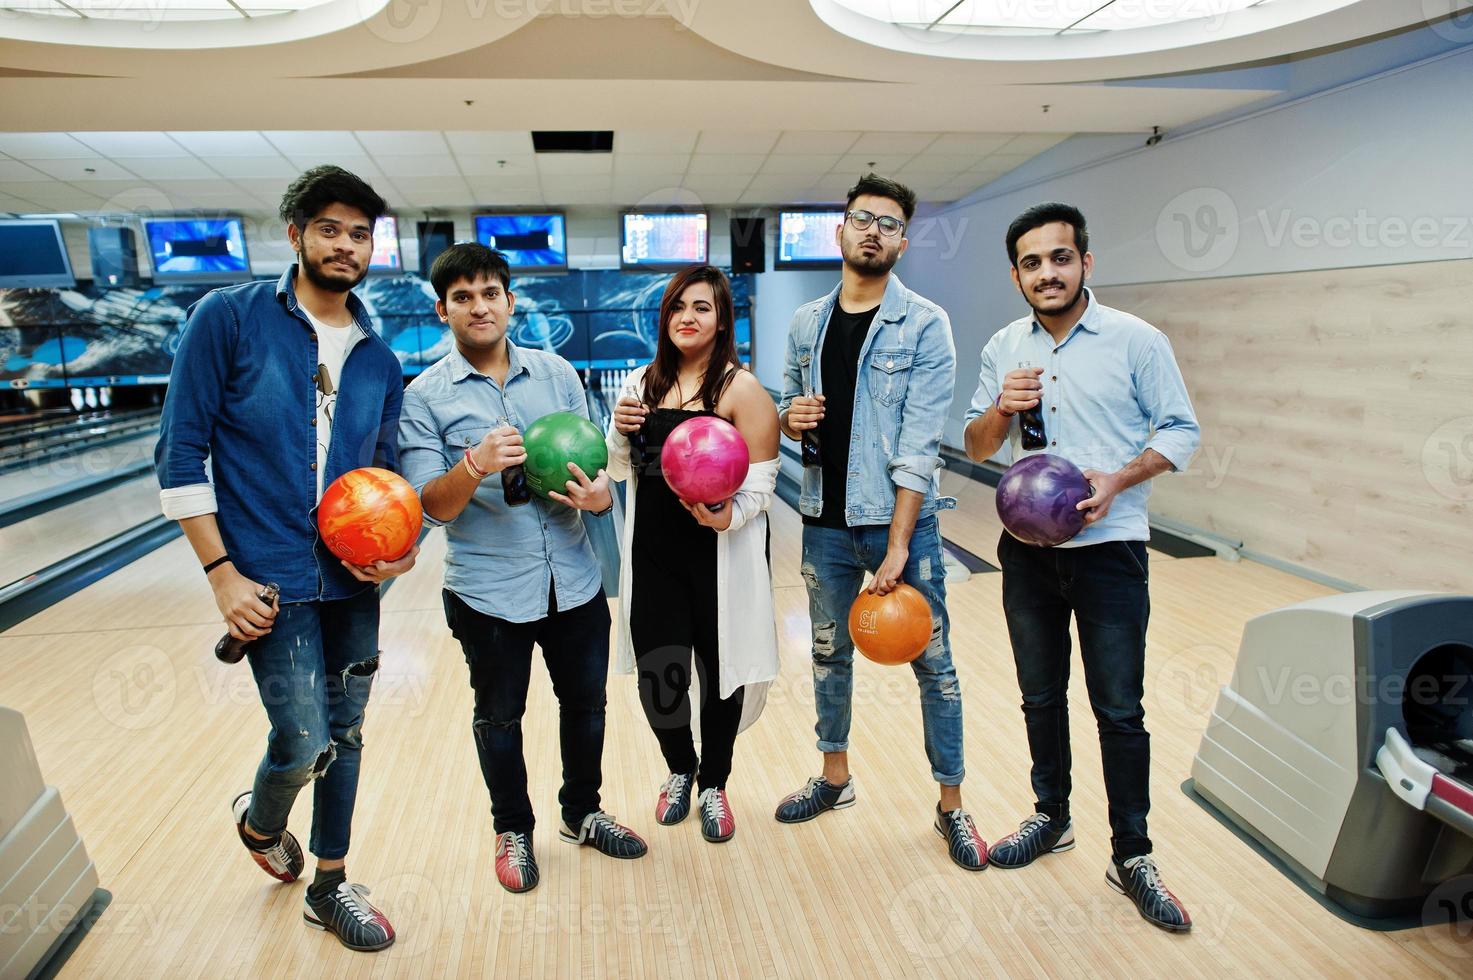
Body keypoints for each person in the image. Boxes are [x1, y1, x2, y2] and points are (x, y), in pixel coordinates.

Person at [155, 165, 415, 952]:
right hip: (266, 578)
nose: (345, 245)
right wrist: (220, 574)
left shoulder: (377, 359)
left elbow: (389, 476)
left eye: (360, 233)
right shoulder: (227, 319)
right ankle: (262, 821)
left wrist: (399, 555)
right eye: (329, 229)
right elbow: (178, 453)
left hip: (353, 584)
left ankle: (331, 885)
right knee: (303, 739)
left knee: (350, 734)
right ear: (296, 234)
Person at [962, 202, 1201, 931]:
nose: (1047, 273)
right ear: (1015, 276)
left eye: (1059, 258)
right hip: (1026, 554)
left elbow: (1180, 428)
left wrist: (1117, 480)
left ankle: (1130, 853)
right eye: (1031, 263)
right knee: (1040, 697)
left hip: (1111, 553)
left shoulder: (1136, 340)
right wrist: (1000, 411)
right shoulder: (1003, 345)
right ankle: (1051, 817)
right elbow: (974, 447)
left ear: (1084, 264)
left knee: (1118, 709)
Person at [397, 243, 646, 896]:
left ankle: (582, 812)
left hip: (574, 576)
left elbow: (596, 466)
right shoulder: (424, 397)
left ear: (509, 302)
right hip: (486, 591)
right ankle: (512, 828)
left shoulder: (558, 373)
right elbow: (432, 508)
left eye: (489, 294)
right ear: (442, 309)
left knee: (585, 706)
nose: (478, 307)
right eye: (462, 297)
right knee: (499, 717)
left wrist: (600, 495)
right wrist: (474, 463)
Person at [774, 173, 986, 871]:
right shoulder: (806, 322)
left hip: (899, 526)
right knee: (830, 655)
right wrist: (786, 416)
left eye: (889, 223)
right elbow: (787, 411)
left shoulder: (924, 323)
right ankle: (834, 780)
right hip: (822, 522)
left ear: (901, 241)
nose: (873, 231)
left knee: (935, 666)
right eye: (862, 219)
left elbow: (921, 444)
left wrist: (898, 542)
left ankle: (951, 805)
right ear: (839, 231)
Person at [605, 265, 780, 845]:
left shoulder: (741, 389)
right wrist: (617, 428)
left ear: (722, 318)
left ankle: (715, 783)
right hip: (653, 554)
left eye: (702, 307)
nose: (687, 317)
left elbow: (763, 480)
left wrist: (730, 514)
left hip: (717, 554)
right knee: (660, 673)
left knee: (720, 671)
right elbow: (621, 469)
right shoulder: (639, 383)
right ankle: (680, 767)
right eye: (678, 306)